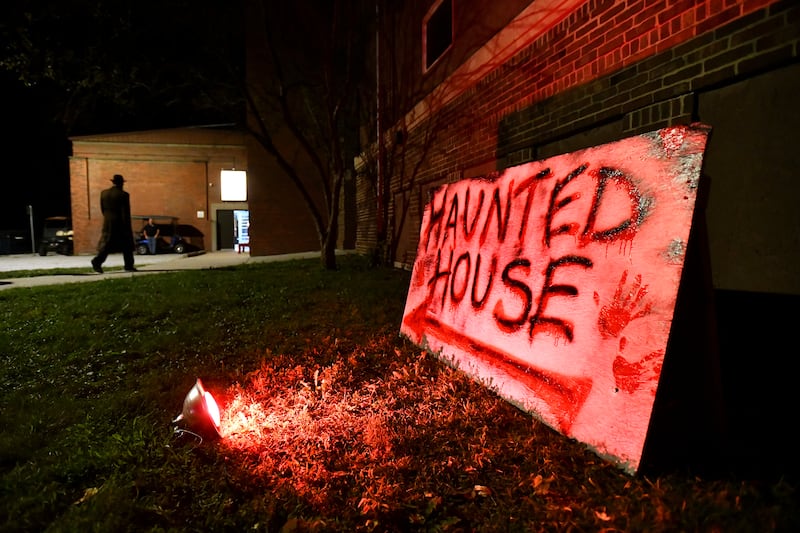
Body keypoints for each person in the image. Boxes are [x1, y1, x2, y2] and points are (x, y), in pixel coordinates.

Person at [91, 174, 136, 273]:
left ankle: (97, 261)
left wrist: (108, 218)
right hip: (120, 223)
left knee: (107, 244)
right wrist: (127, 227)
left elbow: (103, 209)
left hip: (107, 223)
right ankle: (128, 265)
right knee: (127, 245)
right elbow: (125, 213)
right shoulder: (124, 195)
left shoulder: (104, 193)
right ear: (121, 183)